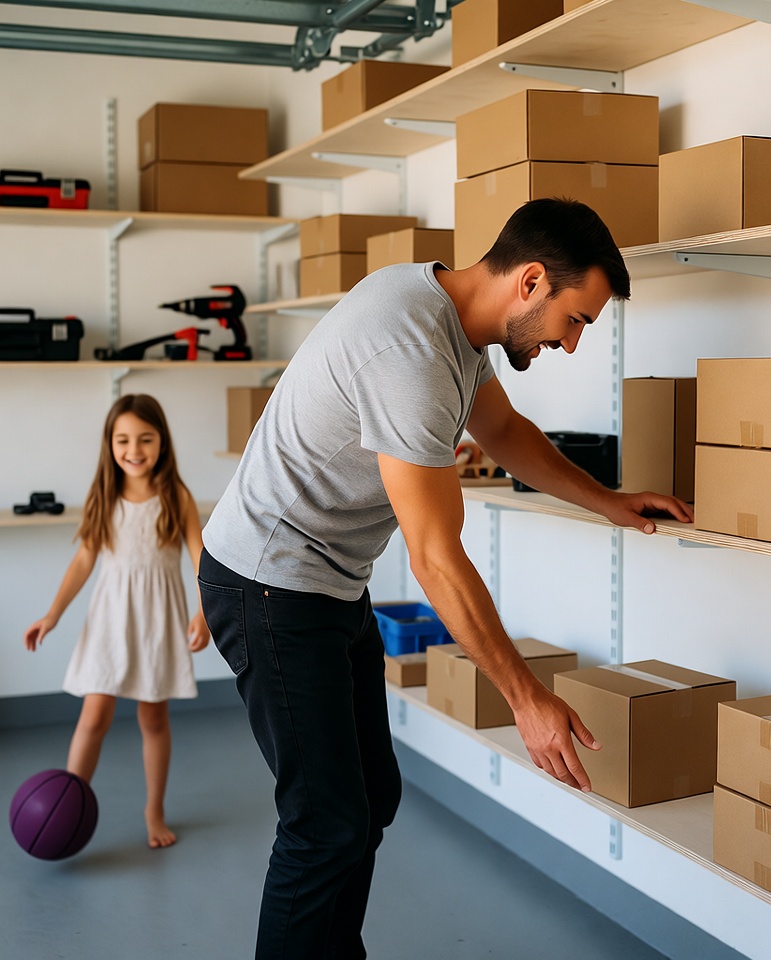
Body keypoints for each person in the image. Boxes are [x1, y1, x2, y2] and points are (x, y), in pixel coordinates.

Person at [198, 198, 695, 958]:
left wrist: (609, 501)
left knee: (370, 800)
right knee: (325, 822)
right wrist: (527, 700)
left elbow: (503, 433)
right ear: (530, 281)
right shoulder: (411, 350)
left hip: (321, 582)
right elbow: (435, 557)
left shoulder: (448, 320)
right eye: (577, 320)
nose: (572, 344)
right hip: (271, 586)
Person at [24, 393, 210, 849]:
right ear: (110, 443)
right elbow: (84, 559)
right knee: (93, 719)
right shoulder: (105, 496)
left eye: (145, 439)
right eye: (123, 439)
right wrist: (53, 613)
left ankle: (154, 809)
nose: (134, 449)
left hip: (157, 625)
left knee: (153, 720)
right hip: (109, 621)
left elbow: (201, 557)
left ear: (162, 442)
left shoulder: (176, 496)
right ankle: (67, 800)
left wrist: (205, 611)